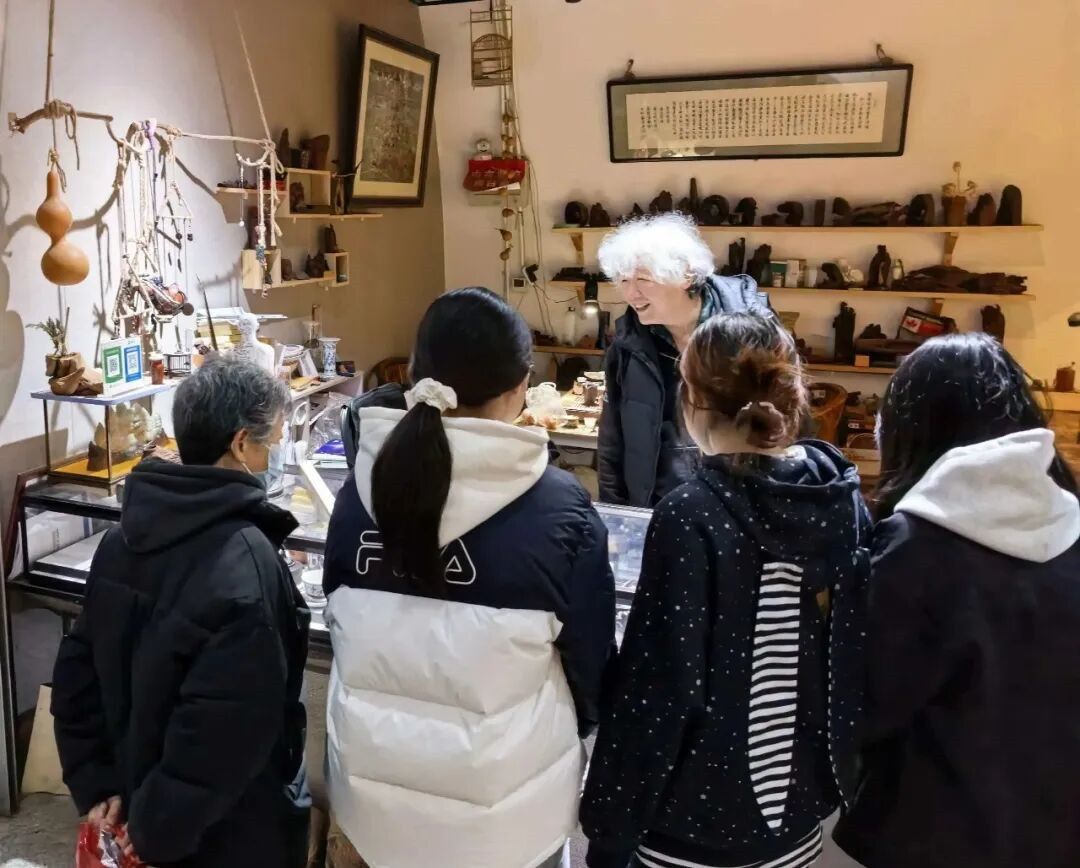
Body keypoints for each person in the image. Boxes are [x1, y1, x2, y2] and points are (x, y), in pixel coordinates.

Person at [322, 287, 616, 868]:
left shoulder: (359, 492)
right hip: (507, 816)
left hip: (375, 805)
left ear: (413, 376)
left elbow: (338, 619)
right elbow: (591, 666)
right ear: (521, 387)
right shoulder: (558, 508)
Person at [582, 312, 871, 868]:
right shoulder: (842, 500)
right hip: (798, 810)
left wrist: (609, 829)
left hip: (693, 821)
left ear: (692, 400)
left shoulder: (690, 515)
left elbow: (657, 692)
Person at [51, 356, 310, 868]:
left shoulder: (121, 538)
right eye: (273, 441)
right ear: (240, 444)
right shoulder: (244, 559)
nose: (275, 453)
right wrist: (156, 828)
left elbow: (76, 672)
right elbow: (226, 730)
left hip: (138, 804)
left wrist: (96, 782)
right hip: (219, 833)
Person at [833, 333, 1080, 868]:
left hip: (935, 831)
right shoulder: (1071, 521)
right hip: (1055, 826)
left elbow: (865, 707)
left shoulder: (916, 546)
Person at [597, 213, 773, 507]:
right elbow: (612, 438)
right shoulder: (629, 341)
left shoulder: (751, 331)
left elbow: (786, 420)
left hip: (735, 507)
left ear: (686, 276)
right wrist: (613, 511)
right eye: (624, 280)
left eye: (643, 280)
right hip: (654, 506)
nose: (630, 293)